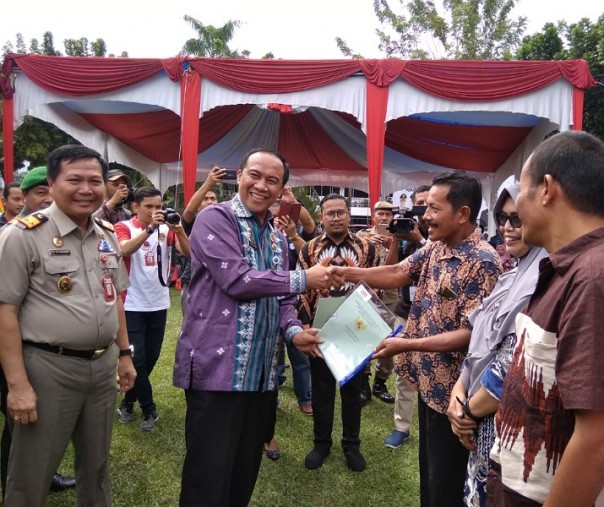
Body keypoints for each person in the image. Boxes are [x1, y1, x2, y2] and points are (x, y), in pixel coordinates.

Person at [173, 148, 334, 507]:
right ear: (240, 175)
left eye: (272, 181)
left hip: (261, 376)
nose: (262, 186)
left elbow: (282, 302)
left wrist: (294, 332)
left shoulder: (277, 237)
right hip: (218, 372)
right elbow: (238, 280)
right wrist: (303, 277)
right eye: (255, 175)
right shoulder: (215, 218)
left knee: (243, 472)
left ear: (282, 190)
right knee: (208, 477)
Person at [333, 170, 502, 507]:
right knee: (430, 474)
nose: (425, 217)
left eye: (434, 209)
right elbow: (399, 272)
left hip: (454, 396)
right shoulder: (436, 247)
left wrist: (406, 344)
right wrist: (347, 272)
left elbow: (471, 335)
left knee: (447, 483)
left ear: (463, 213)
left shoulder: (483, 262)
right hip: (426, 382)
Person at [0, 144, 136, 506]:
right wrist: (17, 387)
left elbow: (114, 299)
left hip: (101, 366)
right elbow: (5, 312)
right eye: (74, 179)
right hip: (47, 369)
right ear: (52, 181)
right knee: (32, 471)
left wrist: (124, 354)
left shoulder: (106, 234)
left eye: (95, 180)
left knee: (96, 466)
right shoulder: (22, 236)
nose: (86, 189)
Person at [488, 131, 604, 507]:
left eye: (521, 189)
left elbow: (597, 436)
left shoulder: (592, 277)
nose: (516, 207)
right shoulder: (569, 268)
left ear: (547, 189)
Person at [446, 184, 547, 507]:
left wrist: (465, 410)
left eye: (517, 219)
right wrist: (458, 391)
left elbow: (509, 367)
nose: (506, 227)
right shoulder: (512, 274)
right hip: (476, 416)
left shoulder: (545, 277)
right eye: (502, 218)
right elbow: (479, 341)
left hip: (504, 426)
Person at [0, 166, 76, 497]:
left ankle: (38, 476)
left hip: (29, 346)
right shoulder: (13, 235)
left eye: (50, 192)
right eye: (37, 194)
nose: (47, 199)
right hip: (7, 340)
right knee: (21, 416)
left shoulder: (61, 236)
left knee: (31, 423)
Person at [297, 193, 379, 472]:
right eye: (330, 213)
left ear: (348, 215)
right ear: (321, 217)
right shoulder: (308, 249)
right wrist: (306, 325)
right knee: (321, 390)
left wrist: (369, 326)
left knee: (352, 390)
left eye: (340, 213)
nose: (336, 218)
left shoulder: (366, 249)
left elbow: (375, 286)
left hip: (354, 330)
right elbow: (302, 290)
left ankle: (351, 444)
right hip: (321, 330)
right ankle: (321, 443)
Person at [114, 186, 190, 431]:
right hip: (131, 304)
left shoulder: (166, 229)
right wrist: (149, 229)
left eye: (159, 206)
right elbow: (124, 249)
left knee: (152, 357)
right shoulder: (125, 226)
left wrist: (179, 230)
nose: (156, 211)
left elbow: (187, 252)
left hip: (158, 302)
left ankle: (128, 401)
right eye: (149, 206)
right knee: (138, 360)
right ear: (135, 206)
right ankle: (149, 408)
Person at [382, 184, 431, 449]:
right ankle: (401, 425)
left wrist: (420, 241)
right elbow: (391, 270)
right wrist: (395, 238)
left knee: (435, 368)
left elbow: (435, 260)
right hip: (405, 311)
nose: (424, 211)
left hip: (434, 316)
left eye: (428, 204)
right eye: (419, 204)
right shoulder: (404, 232)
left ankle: (436, 420)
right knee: (404, 370)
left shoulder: (440, 234)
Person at [356, 201, 398, 405]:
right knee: (364, 337)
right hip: (366, 294)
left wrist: (392, 245)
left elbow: (394, 268)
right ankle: (363, 381)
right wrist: (368, 244)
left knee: (389, 341)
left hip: (389, 296)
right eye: (381, 213)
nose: (384, 218)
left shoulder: (399, 237)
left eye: (388, 214)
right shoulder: (362, 235)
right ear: (374, 216)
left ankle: (380, 382)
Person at [179, 166, 224, 318]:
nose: (210, 201)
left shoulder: (225, 221)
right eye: (205, 199)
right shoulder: (192, 219)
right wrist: (209, 183)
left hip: (218, 280)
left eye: (213, 198)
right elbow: (189, 211)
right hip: (193, 279)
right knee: (190, 325)